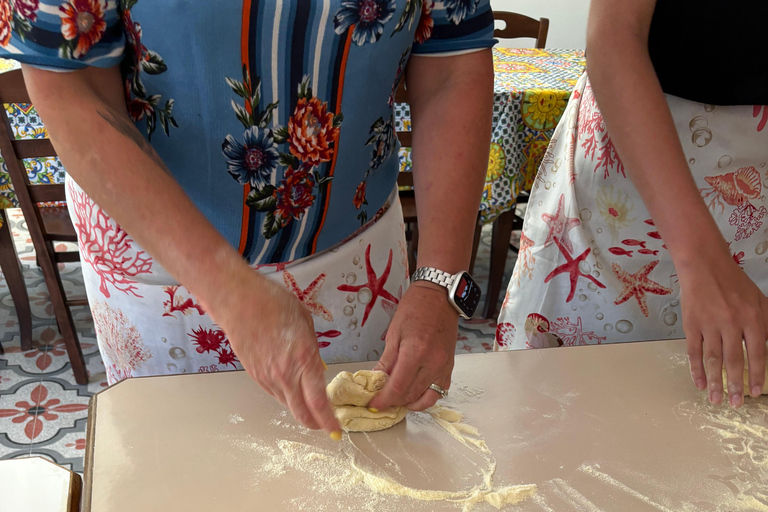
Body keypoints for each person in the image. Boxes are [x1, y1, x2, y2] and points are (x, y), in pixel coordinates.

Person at [0, 0, 494, 436]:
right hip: (163, 271)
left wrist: (441, 282)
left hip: (356, 264)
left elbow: (452, 67)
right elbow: (73, 90)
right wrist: (228, 290)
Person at [496, 0, 768, 409]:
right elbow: (614, 35)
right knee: (591, 413)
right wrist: (701, 259)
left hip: (756, 191)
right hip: (637, 171)